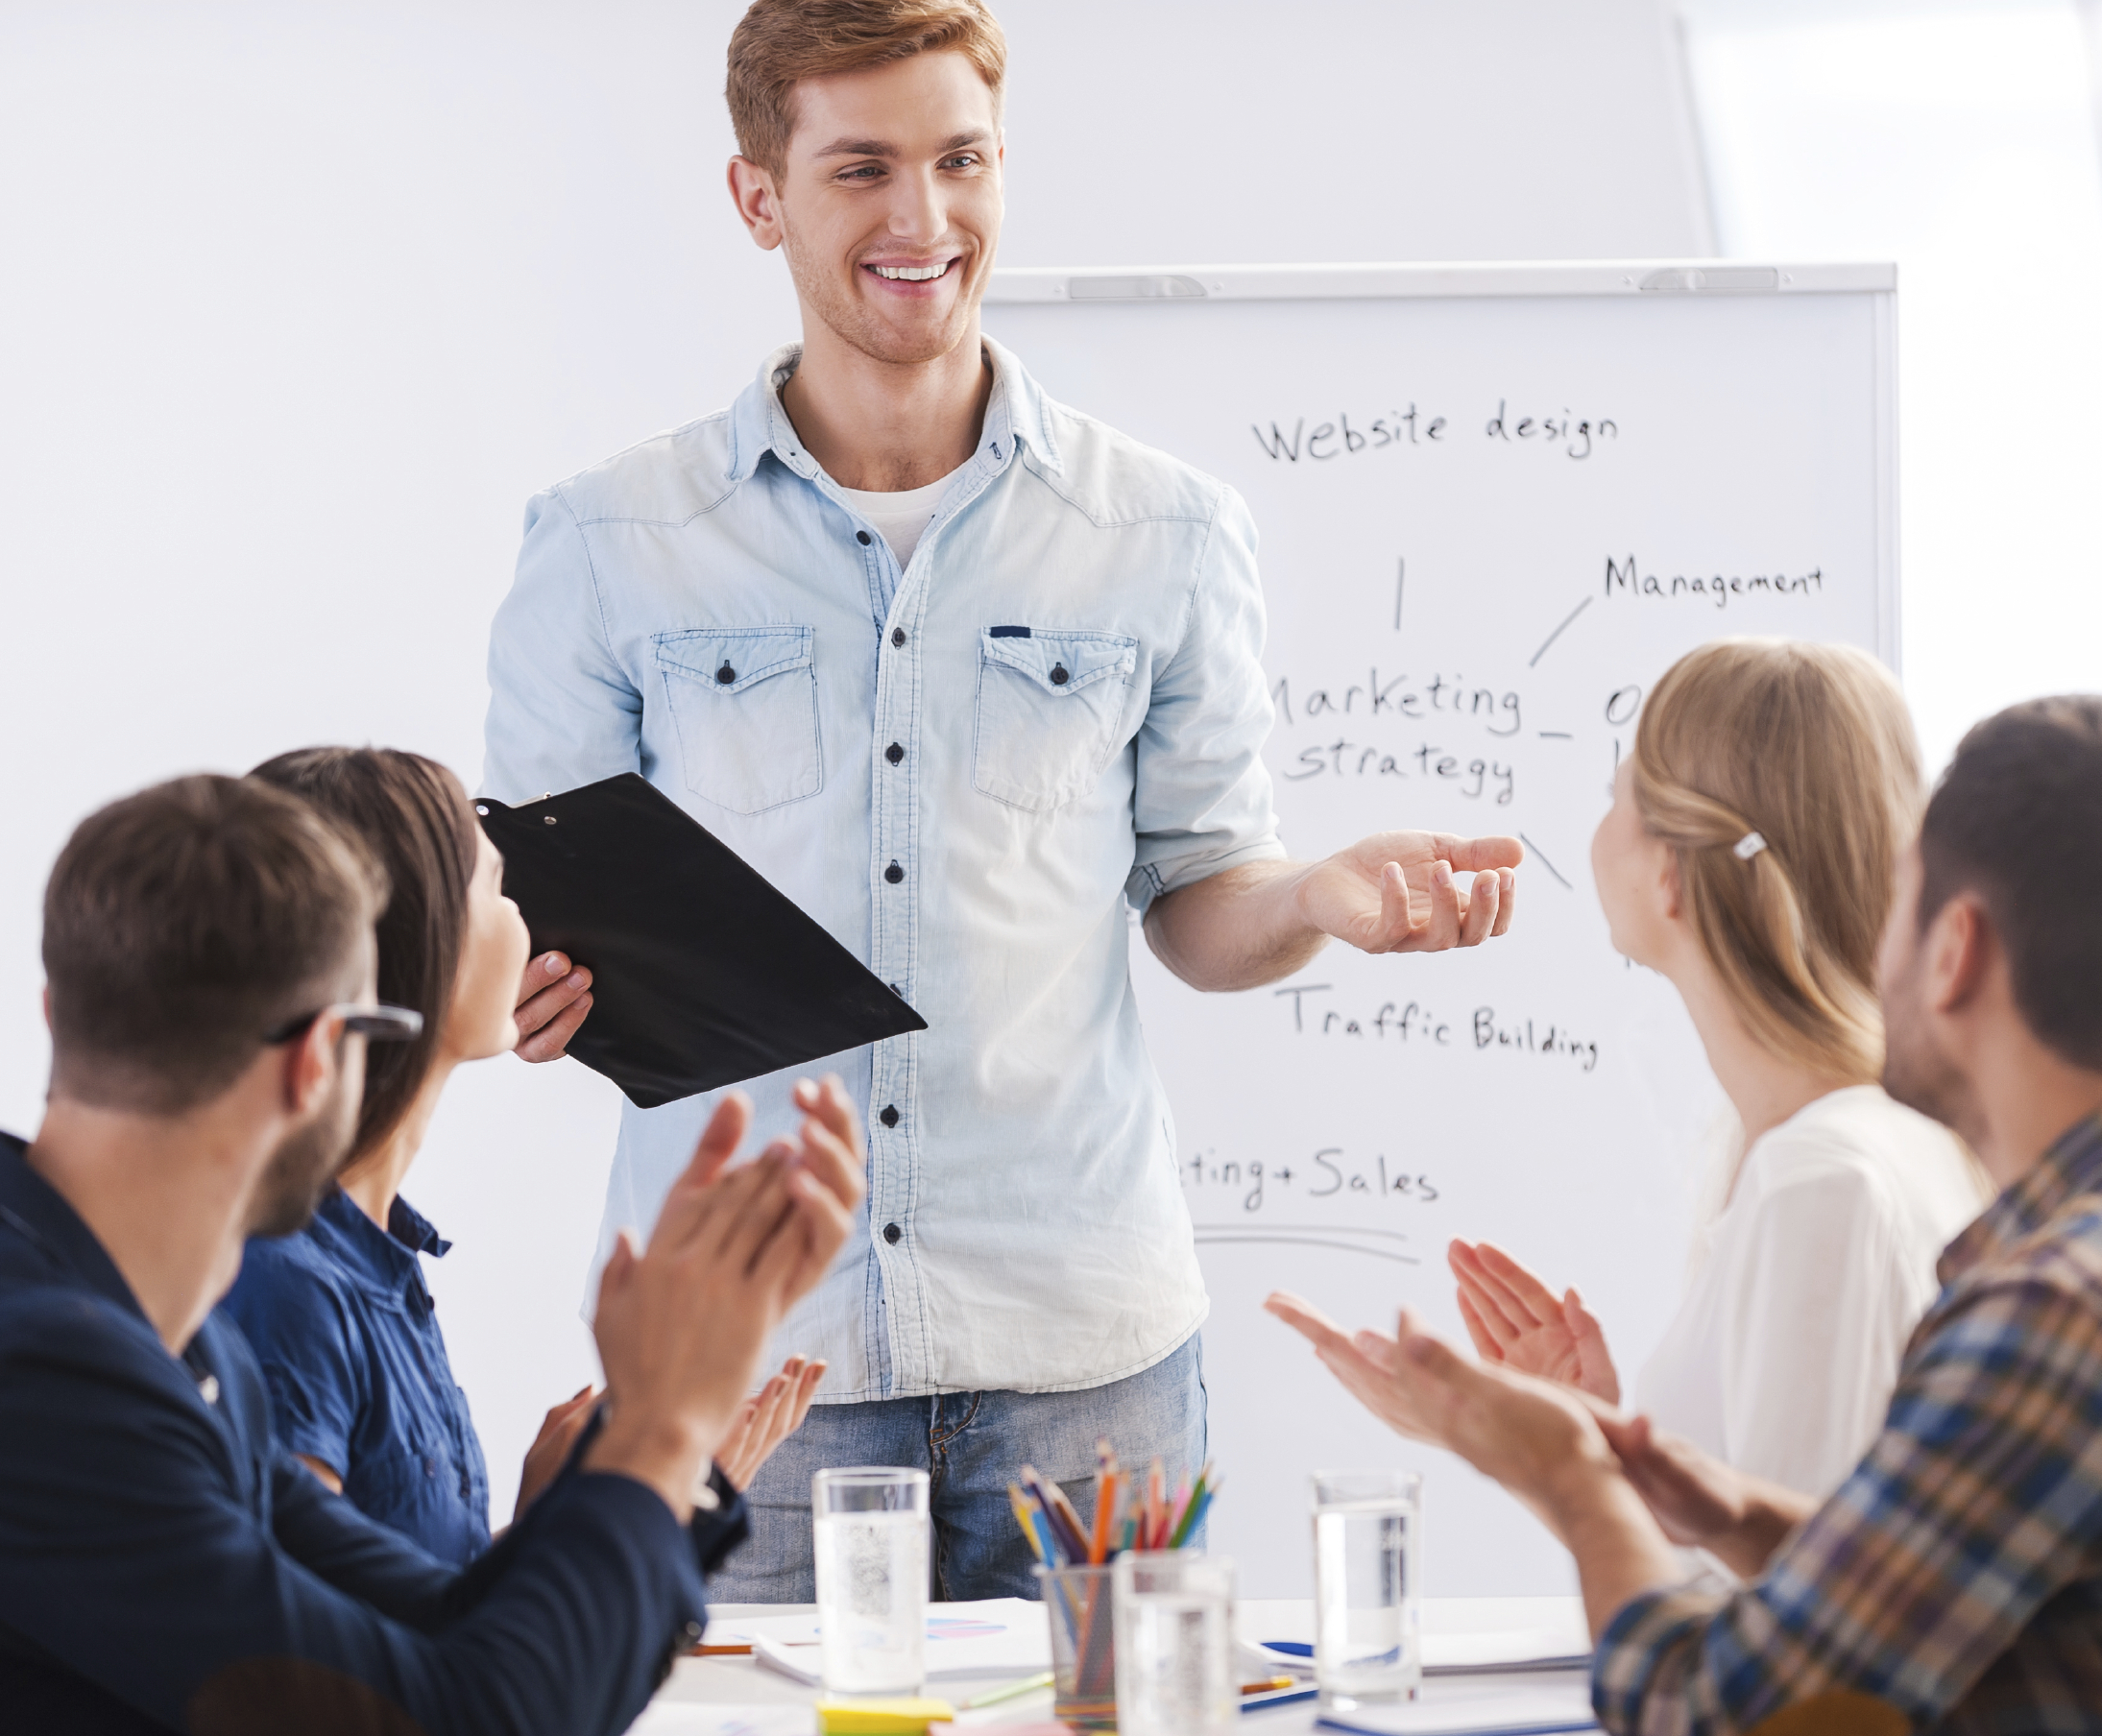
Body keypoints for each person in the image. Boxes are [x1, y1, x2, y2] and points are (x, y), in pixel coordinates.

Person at [483, 0, 1520, 1599]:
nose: (922, 220)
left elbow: (1197, 901)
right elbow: (528, 922)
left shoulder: (1164, 531)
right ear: (757, 196)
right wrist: (527, 994)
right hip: (755, 1370)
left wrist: (1308, 897)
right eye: (860, 171)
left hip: (1086, 1366)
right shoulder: (608, 541)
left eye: (960, 160)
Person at [1272, 695, 2102, 1734]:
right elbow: (1954, 1565)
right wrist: (1726, 1508)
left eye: (1898, 902)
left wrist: (1571, 1473)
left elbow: (1717, 1712)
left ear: (1955, 948)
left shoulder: (2060, 1315)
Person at [0, 774, 865, 1734]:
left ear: (63, 1009)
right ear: (322, 1058)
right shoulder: (39, 1381)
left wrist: (661, 1455)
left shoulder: (100, 1328)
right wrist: (660, 1419)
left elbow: (448, 1627)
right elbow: (466, 1719)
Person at [1283, 639, 1985, 1506]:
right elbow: (1749, 1538)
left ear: (1669, 875)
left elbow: (1784, 1618)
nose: (1594, 830)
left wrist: (1549, 1459)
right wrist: (1585, 1429)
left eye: (1617, 797)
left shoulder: (1823, 1182)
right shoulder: (1843, 1144)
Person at [222, 746, 826, 1566]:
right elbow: (321, 1671)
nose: (530, 917)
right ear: (423, 942)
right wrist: (635, 1481)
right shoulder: (284, 1287)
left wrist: (630, 1496)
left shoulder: (370, 1264)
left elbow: (409, 1607)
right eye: (499, 886)